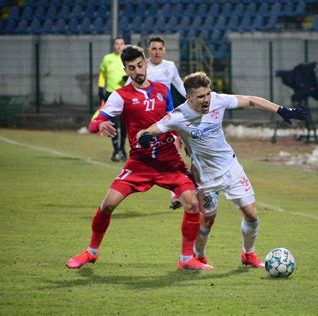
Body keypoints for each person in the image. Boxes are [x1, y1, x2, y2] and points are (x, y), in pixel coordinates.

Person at [136, 72, 307, 267]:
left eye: (208, 94)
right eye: (201, 96)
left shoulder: (218, 100)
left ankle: (248, 254)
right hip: (205, 177)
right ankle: (199, 256)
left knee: (251, 215)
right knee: (207, 221)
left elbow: (251, 100)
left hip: (231, 169)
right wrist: (144, 136)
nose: (207, 99)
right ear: (189, 97)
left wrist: (281, 109)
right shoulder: (178, 116)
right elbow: (149, 130)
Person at [66, 46, 212, 271]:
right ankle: (91, 252)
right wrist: (101, 123)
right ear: (126, 69)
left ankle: (186, 259)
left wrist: (177, 137)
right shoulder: (120, 96)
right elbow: (94, 123)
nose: (137, 71)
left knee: (192, 204)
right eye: (131, 68)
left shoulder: (163, 90)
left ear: (145, 63)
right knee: (107, 205)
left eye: (140, 65)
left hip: (168, 161)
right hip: (139, 163)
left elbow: (172, 118)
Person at [127, 36, 187, 210]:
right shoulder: (142, 66)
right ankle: (137, 180)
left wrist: (195, 100)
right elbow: (128, 86)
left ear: (165, 50)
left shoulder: (170, 66)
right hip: (146, 117)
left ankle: (176, 194)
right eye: (154, 48)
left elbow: (180, 86)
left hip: (166, 115)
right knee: (148, 154)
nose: (157, 52)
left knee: (173, 149)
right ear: (148, 51)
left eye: (160, 48)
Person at [98, 36, 128, 162]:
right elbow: (102, 75)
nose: (119, 46)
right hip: (111, 94)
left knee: (125, 124)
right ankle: (116, 150)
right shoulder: (107, 58)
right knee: (113, 124)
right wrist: (100, 88)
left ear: (124, 45)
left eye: (121, 43)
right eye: (116, 43)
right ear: (113, 45)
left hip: (125, 94)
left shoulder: (127, 59)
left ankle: (122, 148)